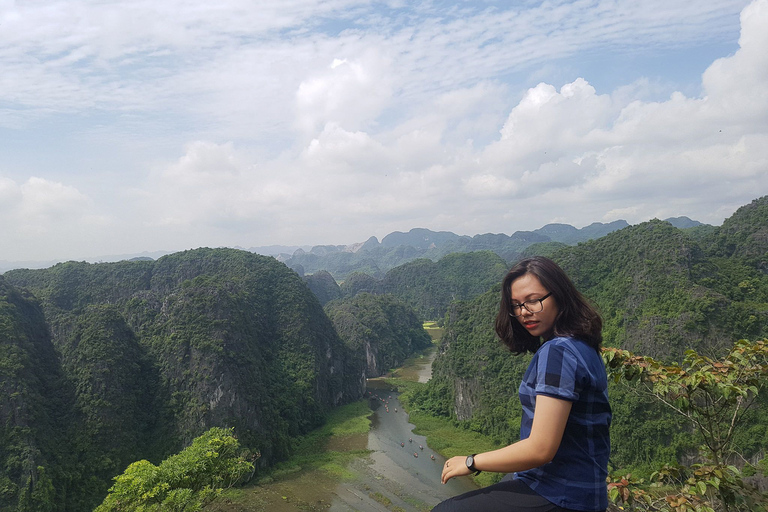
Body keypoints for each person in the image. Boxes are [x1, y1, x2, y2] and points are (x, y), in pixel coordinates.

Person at [432, 256, 611, 512]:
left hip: (561, 493)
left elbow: (541, 449)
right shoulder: (580, 344)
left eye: (533, 300)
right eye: (516, 305)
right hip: (576, 488)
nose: (524, 312)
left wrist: (471, 462)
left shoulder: (558, 352)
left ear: (559, 295)